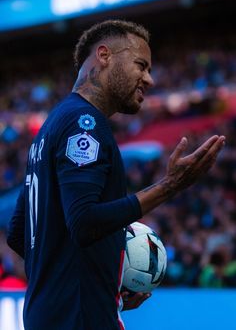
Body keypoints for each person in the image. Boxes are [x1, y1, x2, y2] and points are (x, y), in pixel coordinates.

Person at [7, 19, 225, 330]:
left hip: (47, 315)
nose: (149, 79)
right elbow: (84, 222)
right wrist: (170, 185)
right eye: (141, 65)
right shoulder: (85, 124)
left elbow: (20, 233)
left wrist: (106, 275)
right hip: (79, 319)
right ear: (104, 55)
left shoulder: (52, 125)